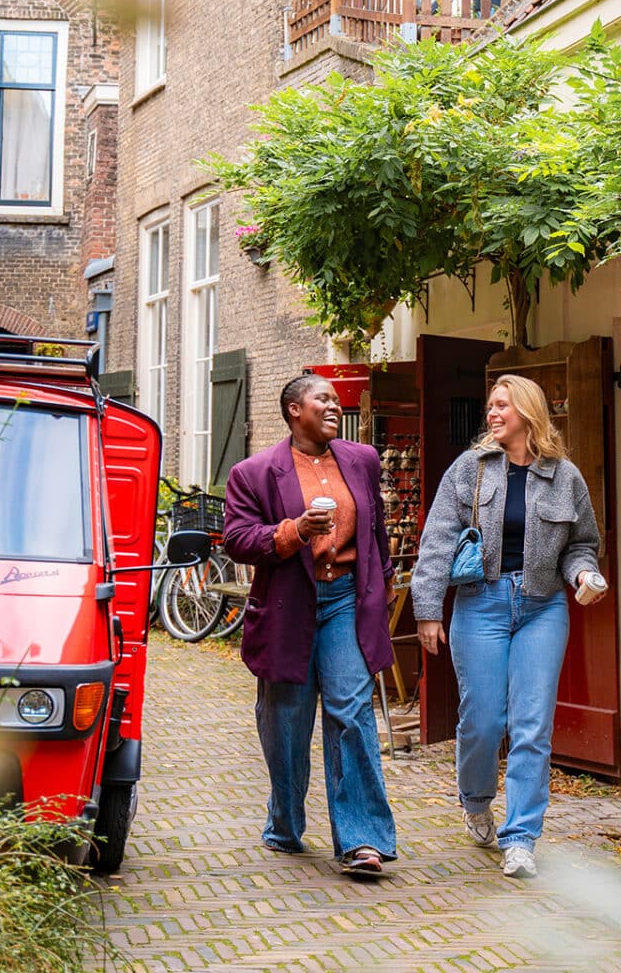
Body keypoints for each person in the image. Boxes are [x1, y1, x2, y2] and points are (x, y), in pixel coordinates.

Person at [413, 373, 603, 879]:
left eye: (503, 405)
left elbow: (582, 543)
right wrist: (428, 609)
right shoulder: (469, 469)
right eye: (491, 406)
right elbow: (437, 541)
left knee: (532, 725)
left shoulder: (565, 476)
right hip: (481, 604)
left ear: (528, 412)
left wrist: (583, 574)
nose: (492, 413)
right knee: (482, 721)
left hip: (543, 607)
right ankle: (476, 801)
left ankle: (520, 837)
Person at [223, 374, 398, 877]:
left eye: (336, 400)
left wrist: (384, 579)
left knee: (351, 712)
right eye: (322, 398)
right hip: (288, 605)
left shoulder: (362, 459)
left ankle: (363, 840)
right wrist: (294, 531)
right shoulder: (254, 473)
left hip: (345, 600)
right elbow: (237, 539)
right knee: (287, 722)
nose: (334, 405)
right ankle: (284, 822)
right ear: (294, 409)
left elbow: (375, 526)